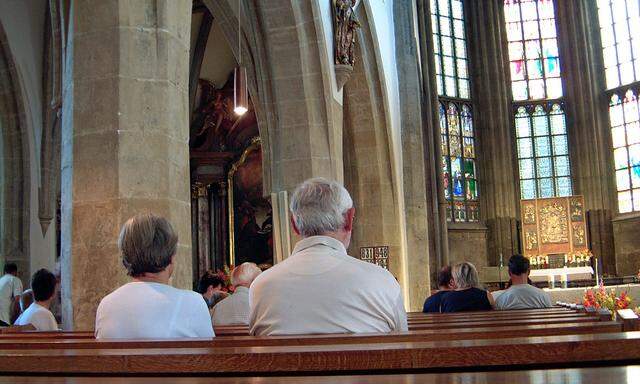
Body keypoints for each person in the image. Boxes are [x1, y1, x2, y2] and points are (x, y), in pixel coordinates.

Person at [249, 177, 408, 335]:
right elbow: (403, 348)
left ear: (294, 225)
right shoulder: (382, 281)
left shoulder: (261, 286)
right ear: (349, 219)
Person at [95, 213, 214, 339]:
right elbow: (208, 355)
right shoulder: (193, 303)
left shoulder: (107, 305)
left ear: (125, 257)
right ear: (172, 258)